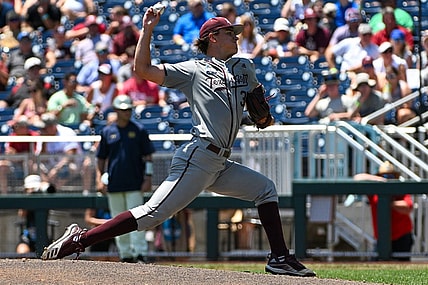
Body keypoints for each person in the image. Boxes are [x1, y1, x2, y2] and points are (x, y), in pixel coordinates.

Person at [41, 12, 316, 277]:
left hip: (220, 162)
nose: (235, 36)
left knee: (265, 189)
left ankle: (279, 257)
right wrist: (147, 30)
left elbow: (257, 105)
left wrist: (262, 116)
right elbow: (143, 70)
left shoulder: (245, 67)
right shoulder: (193, 70)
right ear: (213, 38)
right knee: (152, 214)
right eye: (229, 33)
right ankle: (80, 239)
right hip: (198, 158)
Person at [94, 94, 155, 263]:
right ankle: (125, 254)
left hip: (135, 183)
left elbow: (148, 156)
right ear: (116, 111)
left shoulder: (139, 130)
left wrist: (148, 177)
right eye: (123, 110)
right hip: (115, 184)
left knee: (138, 220)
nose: (126, 113)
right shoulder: (107, 132)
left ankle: (140, 254)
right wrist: (99, 178)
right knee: (117, 221)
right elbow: (101, 158)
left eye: (128, 109)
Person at [354, 161, 414, 261]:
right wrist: (379, 179)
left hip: (401, 237)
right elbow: (357, 178)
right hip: (382, 238)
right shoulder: (375, 191)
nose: (387, 179)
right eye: (384, 176)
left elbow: (408, 207)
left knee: (402, 267)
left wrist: (389, 203)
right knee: (375, 265)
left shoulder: (400, 190)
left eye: (390, 177)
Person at [37, 112, 93, 193]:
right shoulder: (42, 136)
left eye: (44, 128)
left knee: (68, 168)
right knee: (36, 166)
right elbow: (41, 158)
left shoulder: (66, 132)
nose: (42, 130)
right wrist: (44, 143)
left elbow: (70, 156)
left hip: (70, 164)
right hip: (51, 165)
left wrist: (56, 169)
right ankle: (49, 189)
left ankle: (54, 190)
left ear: (52, 126)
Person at [0, 115, 40, 193]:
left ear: (25, 127)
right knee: (2, 166)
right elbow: (9, 154)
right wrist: (21, 155)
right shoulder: (12, 137)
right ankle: (4, 194)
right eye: (15, 127)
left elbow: (35, 155)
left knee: (30, 164)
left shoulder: (34, 136)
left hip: (32, 164)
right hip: (15, 164)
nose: (15, 129)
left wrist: (19, 155)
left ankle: (30, 194)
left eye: (18, 126)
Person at [16, 174, 55, 254]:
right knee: (22, 252)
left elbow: (52, 192)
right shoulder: (25, 201)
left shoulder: (45, 199)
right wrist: (29, 198)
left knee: (48, 255)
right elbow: (21, 214)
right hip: (28, 236)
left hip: (43, 236)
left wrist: (42, 189)